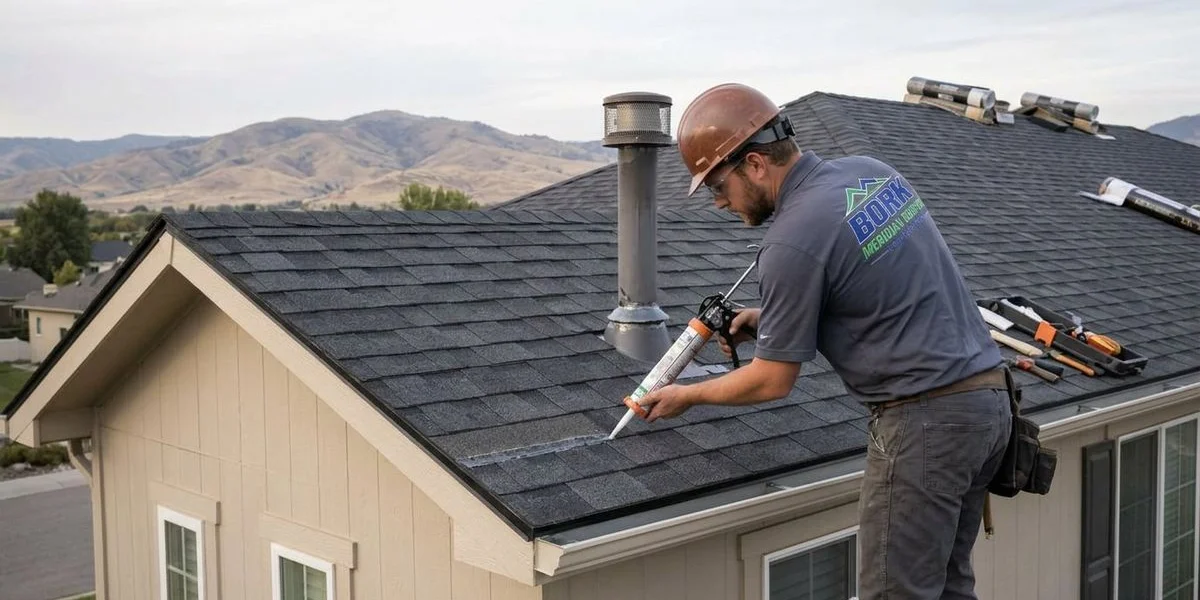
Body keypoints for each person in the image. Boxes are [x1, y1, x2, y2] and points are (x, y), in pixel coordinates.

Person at [635, 83, 1013, 600]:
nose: (719, 203)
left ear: (754, 164)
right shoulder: (872, 173)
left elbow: (772, 381)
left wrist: (687, 395)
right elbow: (878, 286)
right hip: (985, 408)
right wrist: (773, 317)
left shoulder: (791, 239)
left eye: (719, 186)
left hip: (926, 423)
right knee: (947, 588)